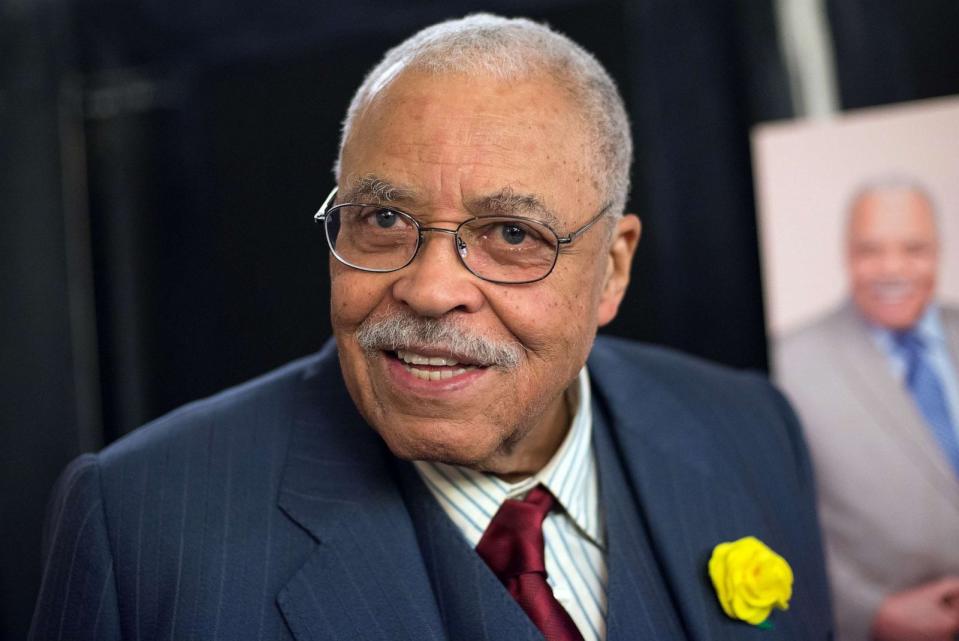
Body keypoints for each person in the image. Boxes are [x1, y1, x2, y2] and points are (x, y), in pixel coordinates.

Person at [31, 14, 830, 640]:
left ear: (612, 269)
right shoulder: (141, 529)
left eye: (511, 234)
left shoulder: (751, 431)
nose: (429, 288)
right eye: (382, 217)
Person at [776, 179, 959, 641]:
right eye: (870, 251)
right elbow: (773, 514)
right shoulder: (787, 362)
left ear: (938, 250)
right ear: (846, 253)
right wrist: (871, 612)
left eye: (913, 249)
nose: (892, 269)